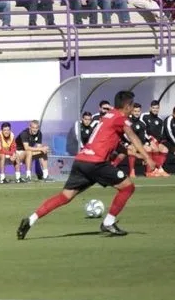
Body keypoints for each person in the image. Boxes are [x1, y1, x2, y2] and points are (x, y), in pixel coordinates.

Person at [17, 91, 158, 240]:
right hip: (96, 163)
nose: (133, 108)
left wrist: (136, 155)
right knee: (128, 187)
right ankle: (108, 222)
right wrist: (148, 158)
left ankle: (31, 219)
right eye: (132, 105)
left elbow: (114, 144)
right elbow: (132, 136)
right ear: (127, 106)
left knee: (65, 196)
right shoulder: (120, 118)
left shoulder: (108, 117)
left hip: (81, 161)